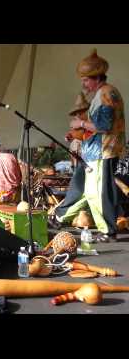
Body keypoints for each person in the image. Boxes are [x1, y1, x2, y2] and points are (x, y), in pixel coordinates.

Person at [51, 49, 125, 242]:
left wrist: (80, 124)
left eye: (85, 80)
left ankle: (108, 229)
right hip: (96, 151)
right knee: (87, 190)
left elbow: (104, 125)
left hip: (102, 151)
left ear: (96, 78)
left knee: (97, 192)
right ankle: (62, 215)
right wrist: (79, 133)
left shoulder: (106, 94)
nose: (84, 84)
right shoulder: (103, 93)